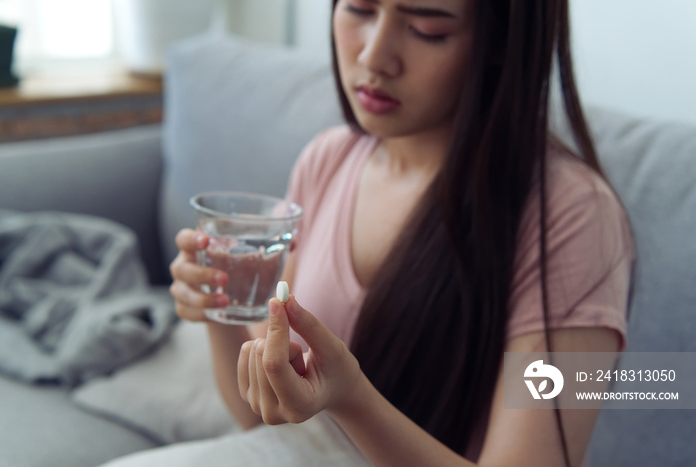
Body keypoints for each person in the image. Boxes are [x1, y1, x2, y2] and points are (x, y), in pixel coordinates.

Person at [160, 1, 634, 466]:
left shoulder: (576, 219)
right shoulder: (328, 160)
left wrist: (353, 400)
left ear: (500, 41)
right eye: (360, 10)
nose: (373, 56)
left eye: (427, 28)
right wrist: (218, 307)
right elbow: (261, 420)